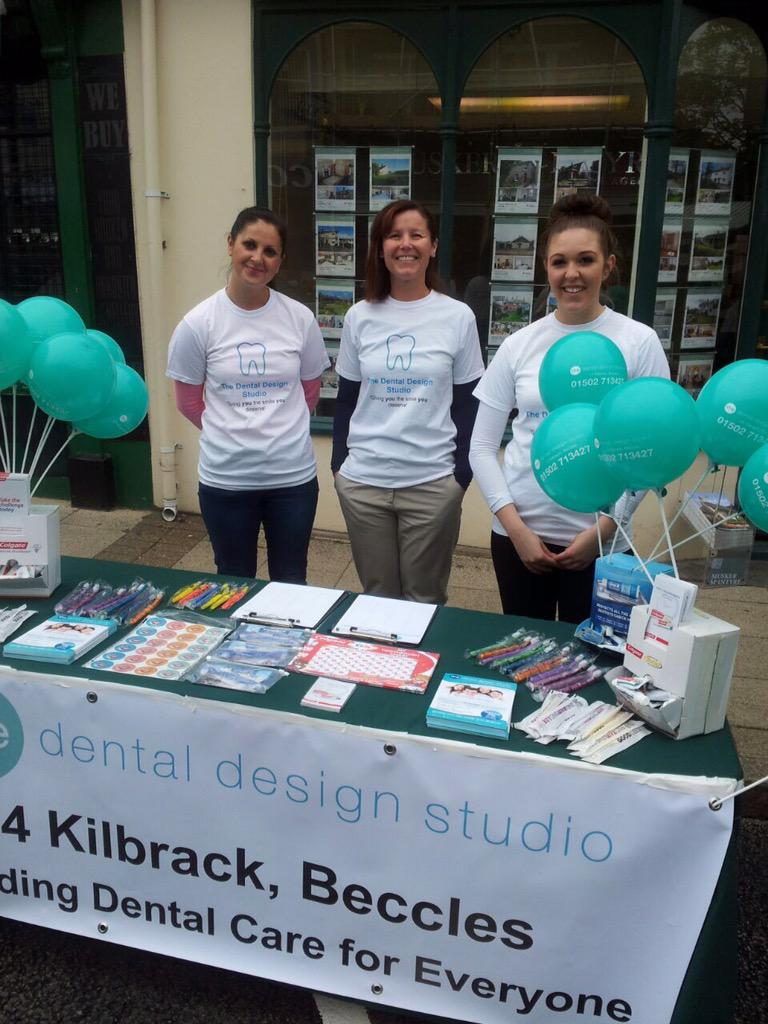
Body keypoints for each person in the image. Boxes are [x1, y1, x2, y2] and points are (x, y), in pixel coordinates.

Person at [469, 194, 670, 624]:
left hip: (605, 547)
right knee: (526, 660)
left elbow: (651, 452)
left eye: (586, 260)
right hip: (520, 542)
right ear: (547, 268)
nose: (572, 273)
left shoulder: (639, 343)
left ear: (609, 266)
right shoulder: (519, 345)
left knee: (594, 672)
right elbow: (482, 447)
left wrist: (606, 529)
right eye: (559, 262)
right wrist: (517, 531)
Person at [332, 199, 484, 605]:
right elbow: (346, 399)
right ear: (380, 248)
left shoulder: (458, 317)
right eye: (394, 235)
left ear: (432, 245)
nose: (405, 244)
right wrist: (339, 468)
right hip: (364, 483)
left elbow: (469, 404)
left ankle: (423, 670)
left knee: (425, 599)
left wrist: (460, 476)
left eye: (416, 235)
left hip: (432, 483)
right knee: (377, 597)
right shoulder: (359, 317)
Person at [166, 207, 329, 583]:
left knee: (292, 580)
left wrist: (274, 430)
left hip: (292, 480)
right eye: (249, 245)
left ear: (281, 260)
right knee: (233, 581)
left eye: (270, 251)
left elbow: (309, 392)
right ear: (230, 245)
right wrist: (234, 432)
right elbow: (188, 402)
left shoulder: (299, 318)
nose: (258, 258)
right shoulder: (198, 323)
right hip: (227, 481)